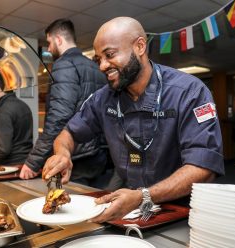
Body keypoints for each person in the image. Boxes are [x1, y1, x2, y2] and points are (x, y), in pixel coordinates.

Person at [42, 17, 225, 223]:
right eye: (98, 59)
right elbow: (68, 134)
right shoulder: (104, 98)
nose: (102, 66)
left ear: (139, 46)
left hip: (182, 212)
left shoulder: (190, 92)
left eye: (110, 55)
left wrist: (144, 196)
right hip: (131, 209)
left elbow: (203, 168)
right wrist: (63, 154)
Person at [20, 18, 109, 186]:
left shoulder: (64, 64)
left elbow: (58, 118)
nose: (50, 48)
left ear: (58, 39)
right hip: (98, 154)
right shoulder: (95, 67)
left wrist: (33, 162)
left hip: (75, 155)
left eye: (50, 42)